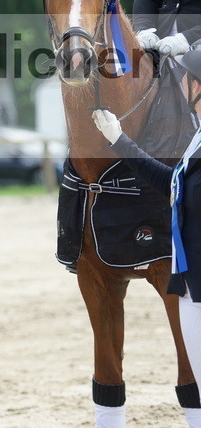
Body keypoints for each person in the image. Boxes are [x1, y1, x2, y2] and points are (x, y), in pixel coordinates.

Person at [93, 51, 201, 426]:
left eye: (187, 80)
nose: (180, 86)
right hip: (189, 283)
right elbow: (170, 183)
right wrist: (120, 141)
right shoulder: (196, 141)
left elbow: (179, 191)